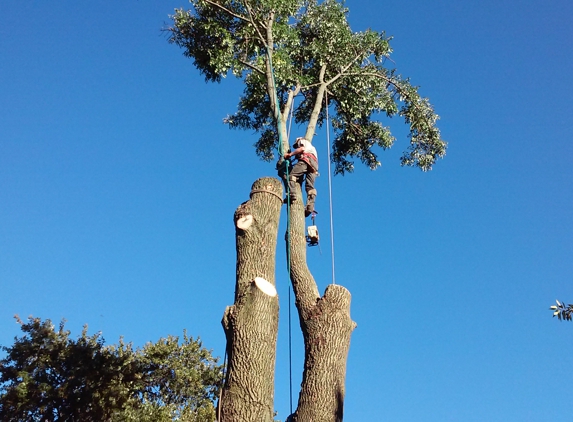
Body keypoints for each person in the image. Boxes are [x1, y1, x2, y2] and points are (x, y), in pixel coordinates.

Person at [283, 137, 318, 217]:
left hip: (306, 160)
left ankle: (292, 194)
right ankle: (310, 207)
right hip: (314, 165)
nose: (297, 147)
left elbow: (302, 149)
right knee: (310, 188)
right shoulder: (312, 148)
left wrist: (290, 154)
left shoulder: (302, 141)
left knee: (291, 176)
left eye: (296, 146)